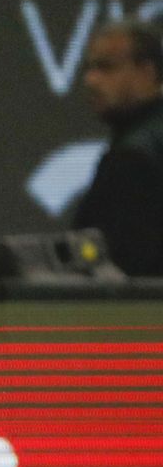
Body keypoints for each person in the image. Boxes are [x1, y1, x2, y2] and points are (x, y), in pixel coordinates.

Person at [73, 20, 163, 277]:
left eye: (106, 67)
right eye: (89, 68)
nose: (90, 80)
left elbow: (122, 270)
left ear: (147, 72)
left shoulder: (134, 158)